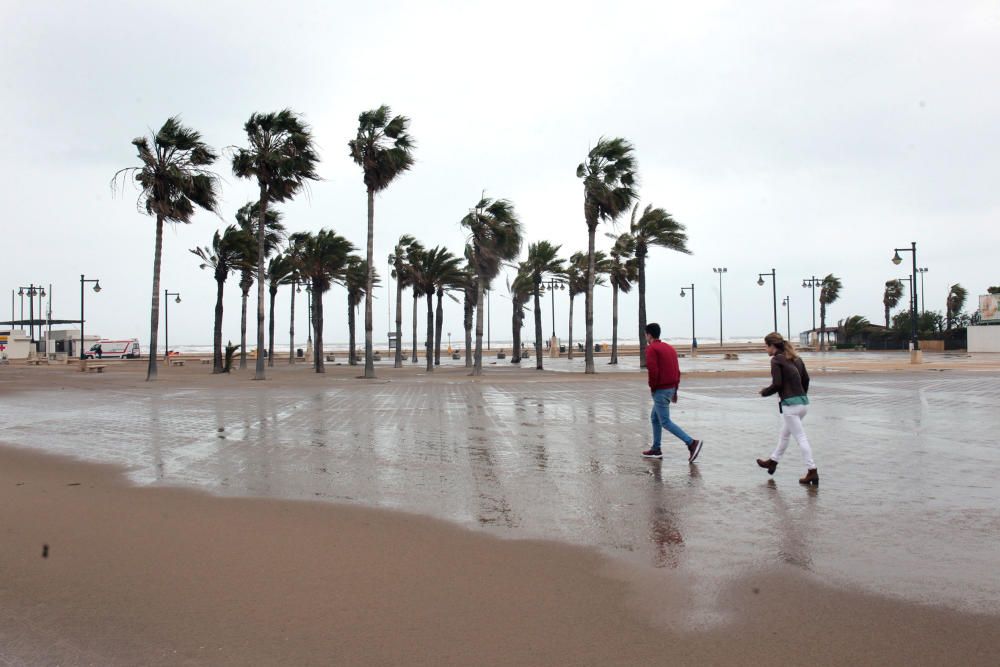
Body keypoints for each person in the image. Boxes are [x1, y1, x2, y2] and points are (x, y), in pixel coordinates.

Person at [757, 332, 818, 485]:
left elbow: (777, 384)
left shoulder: (776, 360)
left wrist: (765, 392)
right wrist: (801, 394)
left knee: (801, 438)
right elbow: (806, 379)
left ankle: (812, 471)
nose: (766, 349)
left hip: (791, 406)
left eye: (766, 346)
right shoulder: (796, 358)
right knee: (784, 435)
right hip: (803, 404)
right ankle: (773, 461)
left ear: (772, 346)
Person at [642, 323, 702, 461]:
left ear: (649, 334)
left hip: (661, 389)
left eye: (645, 334)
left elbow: (653, 371)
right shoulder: (669, 348)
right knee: (654, 418)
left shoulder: (652, 349)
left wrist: (653, 388)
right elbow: (677, 370)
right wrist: (675, 390)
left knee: (665, 421)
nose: (645, 336)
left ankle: (691, 443)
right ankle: (656, 449)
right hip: (670, 388)